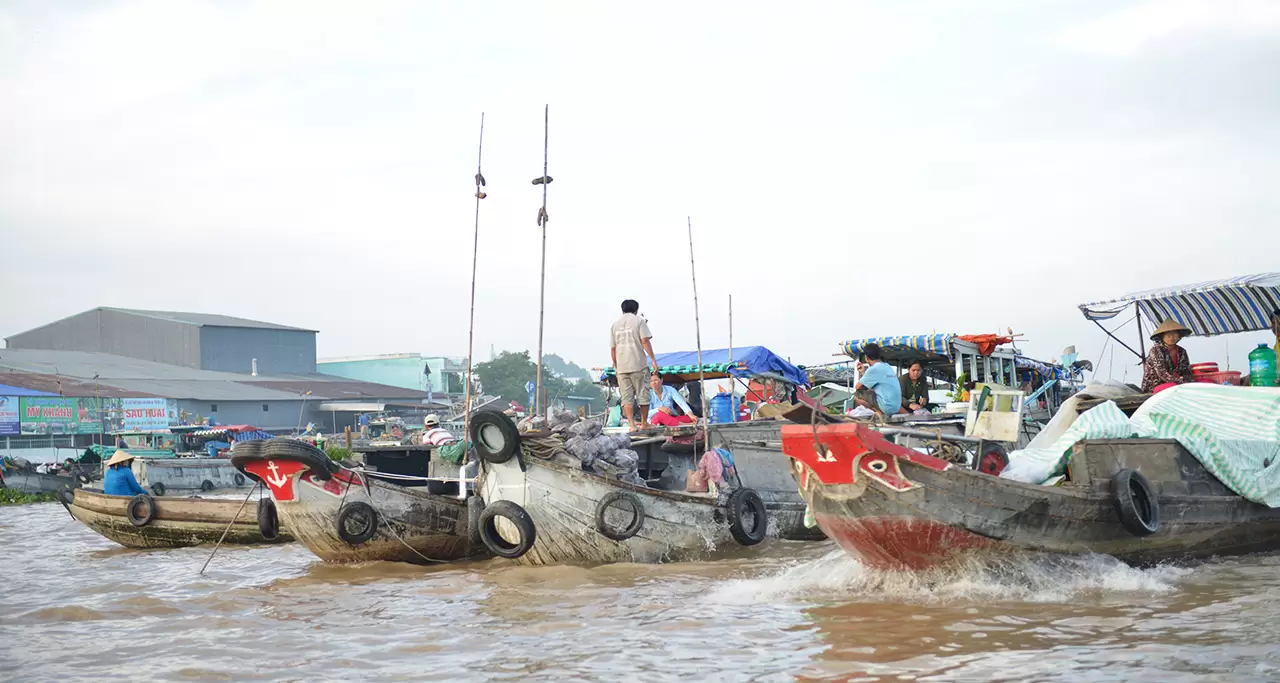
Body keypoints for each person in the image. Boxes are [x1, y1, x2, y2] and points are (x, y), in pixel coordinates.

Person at [610, 299, 659, 431]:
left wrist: (616, 366)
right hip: (638, 364)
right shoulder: (639, 321)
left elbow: (613, 348)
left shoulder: (615, 325)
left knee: (626, 397)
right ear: (636, 310)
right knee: (643, 393)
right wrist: (653, 360)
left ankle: (632, 425)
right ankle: (644, 423)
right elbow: (644, 341)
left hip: (622, 367)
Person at [1141, 319, 1193, 392]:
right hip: (1154, 386)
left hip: (1178, 383)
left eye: (1174, 334)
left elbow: (1186, 371)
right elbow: (1162, 373)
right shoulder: (1156, 350)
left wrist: (1189, 380)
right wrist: (1181, 380)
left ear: (1179, 336)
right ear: (1162, 337)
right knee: (1174, 387)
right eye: (1168, 335)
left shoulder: (1182, 351)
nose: (1171, 337)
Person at [853, 343, 902, 416]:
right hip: (896, 407)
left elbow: (858, 387)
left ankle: (869, 415)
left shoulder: (874, 369)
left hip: (887, 407)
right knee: (870, 392)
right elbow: (874, 385)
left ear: (867, 357)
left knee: (856, 395)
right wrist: (863, 372)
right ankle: (877, 411)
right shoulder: (887, 366)